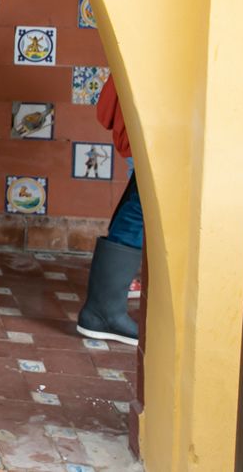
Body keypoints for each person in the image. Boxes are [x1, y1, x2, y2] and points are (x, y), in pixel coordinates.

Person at [76, 73, 142, 345]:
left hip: (156, 129)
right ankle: (103, 313)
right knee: (139, 211)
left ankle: (104, 310)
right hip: (156, 130)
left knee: (139, 207)